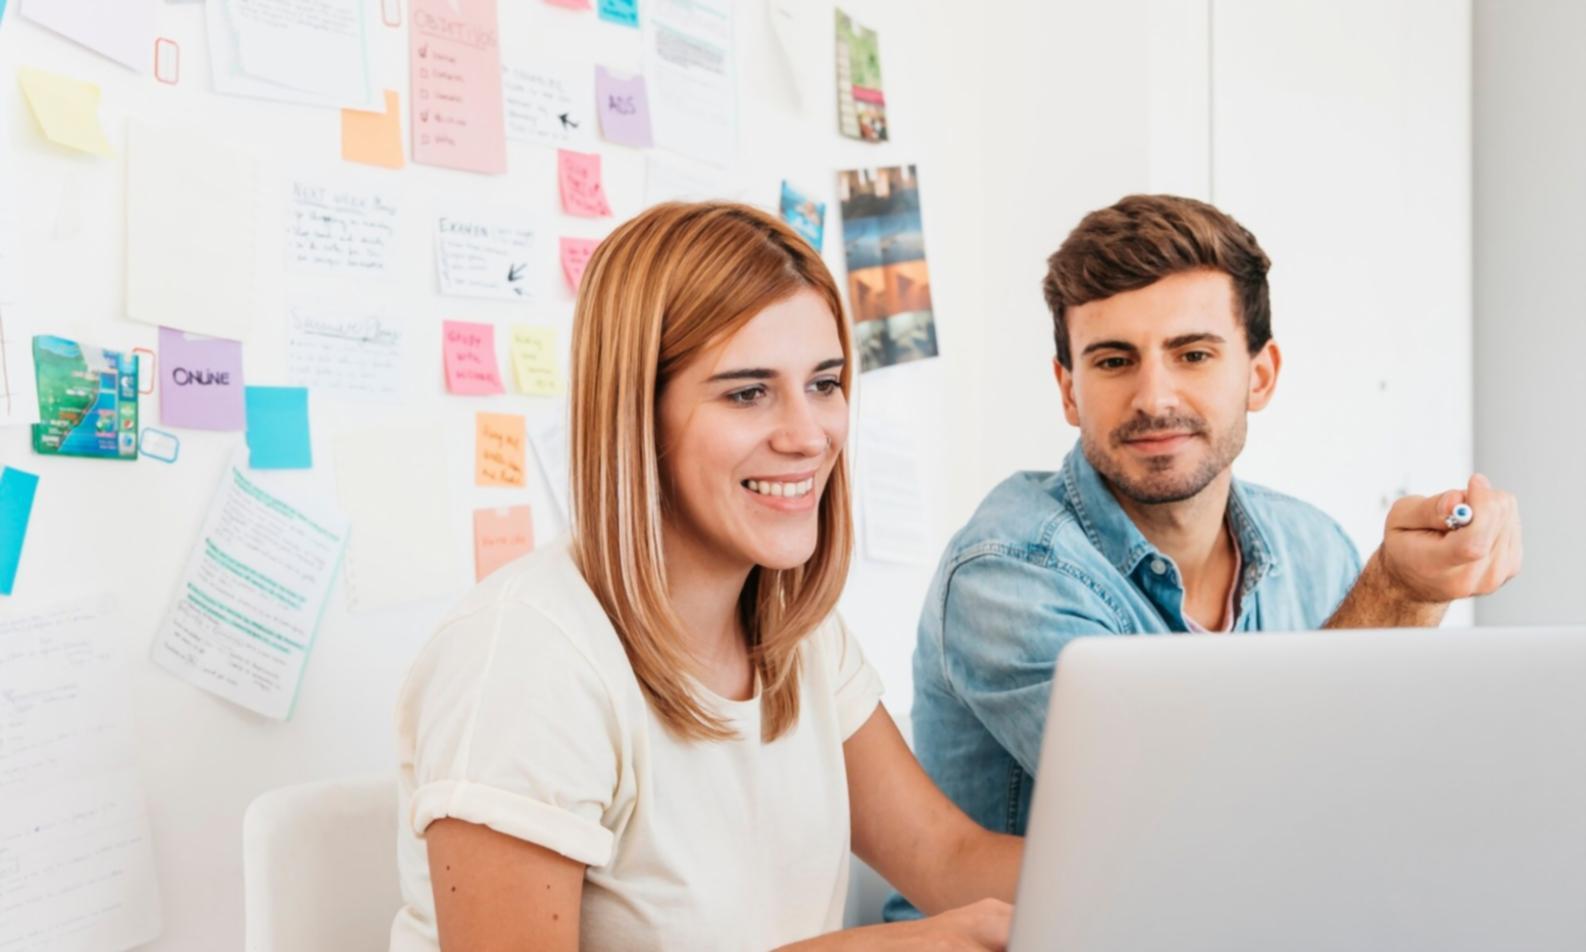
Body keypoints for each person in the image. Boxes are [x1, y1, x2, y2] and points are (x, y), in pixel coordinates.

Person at [389, 202, 1021, 951]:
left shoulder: (797, 631)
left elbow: (946, 859)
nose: (807, 435)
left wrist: (1166, 879)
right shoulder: (527, 657)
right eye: (748, 392)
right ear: (637, 413)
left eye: (824, 383)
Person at [886, 193, 1522, 921]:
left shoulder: (1314, 548)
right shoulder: (1010, 573)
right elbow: (1209, 832)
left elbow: (1364, 794)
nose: (1154, 398)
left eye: (1193, 354)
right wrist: (1398, 594)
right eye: (1114, 360)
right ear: (1069, 391)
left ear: (1261, 374)